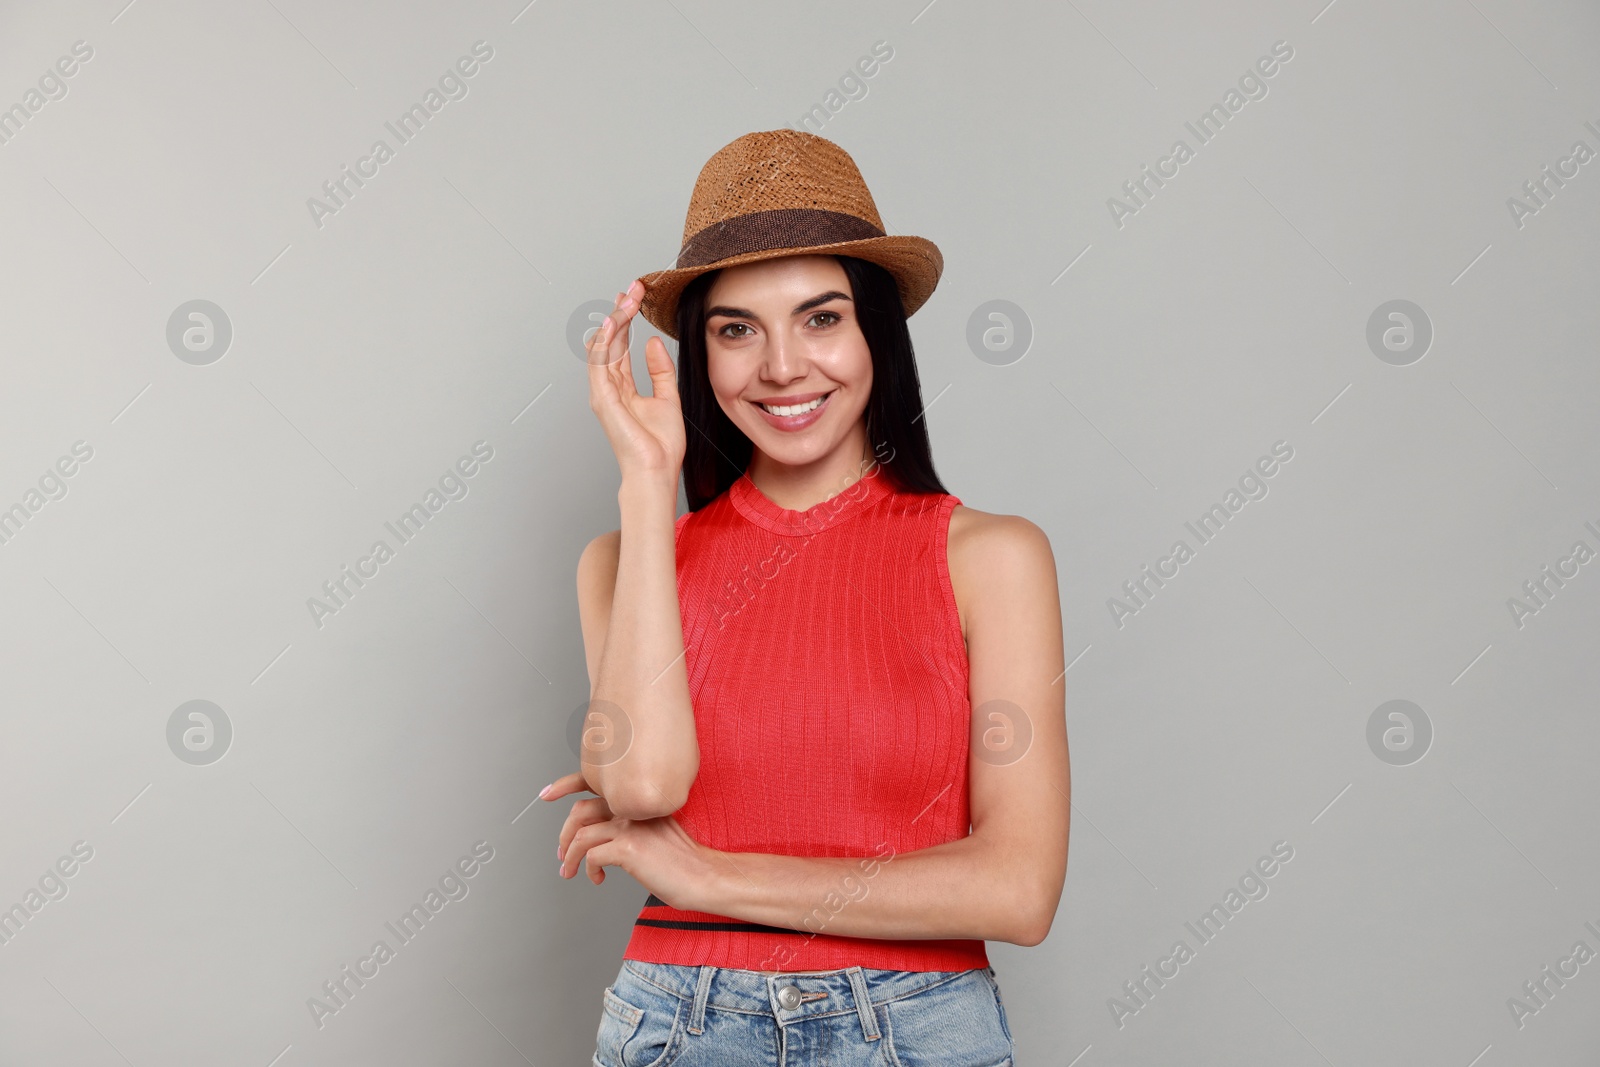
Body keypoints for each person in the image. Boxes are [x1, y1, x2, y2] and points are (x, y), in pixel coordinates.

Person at [540, 129, 1069, 1065]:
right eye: (735, 329)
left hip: (915, 1025)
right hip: (678, 1023)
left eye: (821, 318)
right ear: (700, 355)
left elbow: (1019, 888)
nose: (782, 366)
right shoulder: (624, 562)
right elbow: (644, 784)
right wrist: (644, 481)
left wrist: (709, 874)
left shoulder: (990, 556)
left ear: (876, 331)